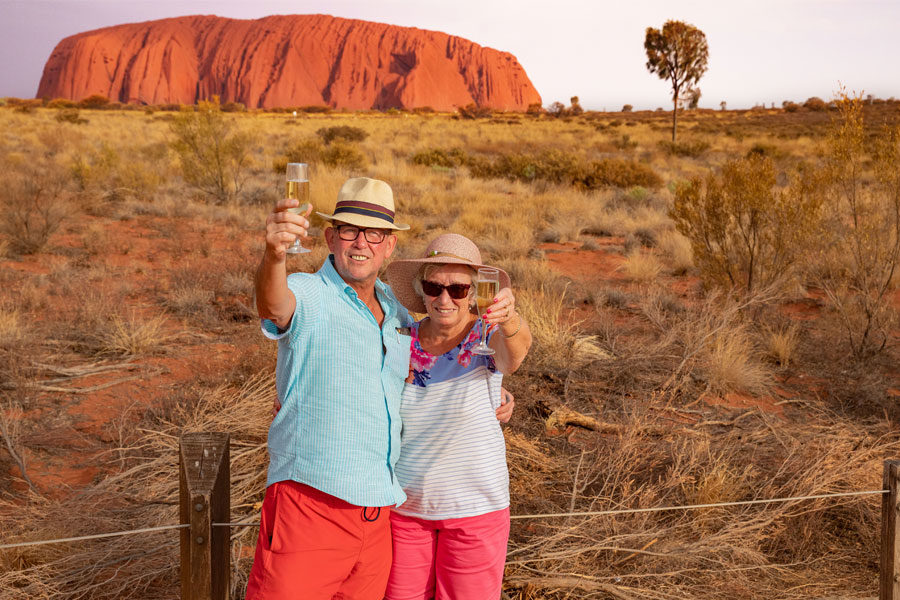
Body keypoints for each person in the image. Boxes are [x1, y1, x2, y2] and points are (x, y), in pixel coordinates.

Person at [246, 177, 413, 600]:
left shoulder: (398, 313)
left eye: (374, 233)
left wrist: (493, 394)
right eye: (349, 230)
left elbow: (423, 372)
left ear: (389, 246)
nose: (361, 243)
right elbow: (273, 303)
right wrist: (274, 254)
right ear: (329, 237)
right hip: (310, 506)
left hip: (378, 516)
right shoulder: (309, 293)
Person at [383, 233, 533, 600]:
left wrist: (511, 317)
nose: (445, 298)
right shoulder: (400, 338)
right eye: (434, 286)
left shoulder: (488, 334)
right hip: (406, 510)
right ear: (421, 291)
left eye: (459, 289)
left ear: (474, 293)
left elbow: (515, 355)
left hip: (475, 510)